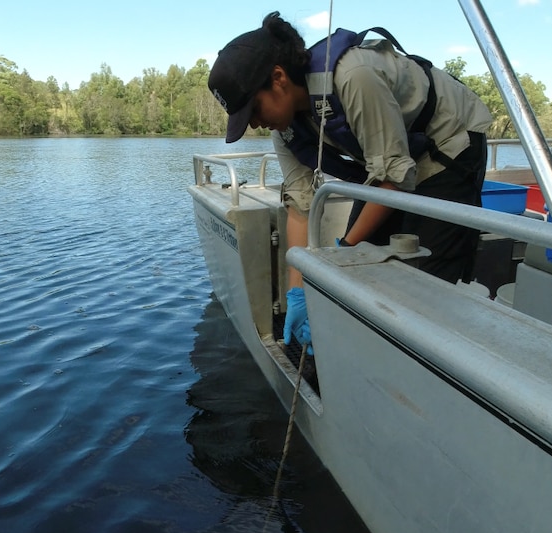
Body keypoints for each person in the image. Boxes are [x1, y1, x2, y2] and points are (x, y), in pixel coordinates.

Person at [208, 12, 493, 351]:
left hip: (448, 145)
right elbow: (301, 205)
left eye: (253, 110)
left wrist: (341, 255)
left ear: (279, 78)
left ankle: (426, 365)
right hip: (391, 165)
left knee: (428, 285)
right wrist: (297, 292)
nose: (254, 124)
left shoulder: (353, 76)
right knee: (362, 267)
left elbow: (392, 179)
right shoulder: (284, 130)